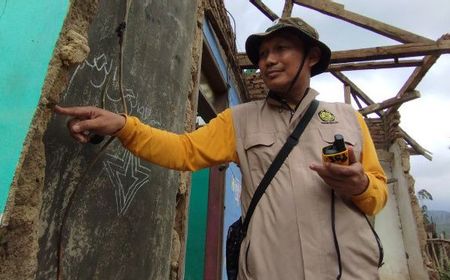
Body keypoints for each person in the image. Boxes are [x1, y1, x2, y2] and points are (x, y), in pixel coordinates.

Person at [55, 17, 387, 279]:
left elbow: (377, 194)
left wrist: (359, 185)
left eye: (281, 49)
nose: (268, 60)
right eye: (262, 54)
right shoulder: (239, 120)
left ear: (311, 57)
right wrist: (123, 125)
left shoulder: (347, 119)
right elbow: (183, 150)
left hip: (351, 272)